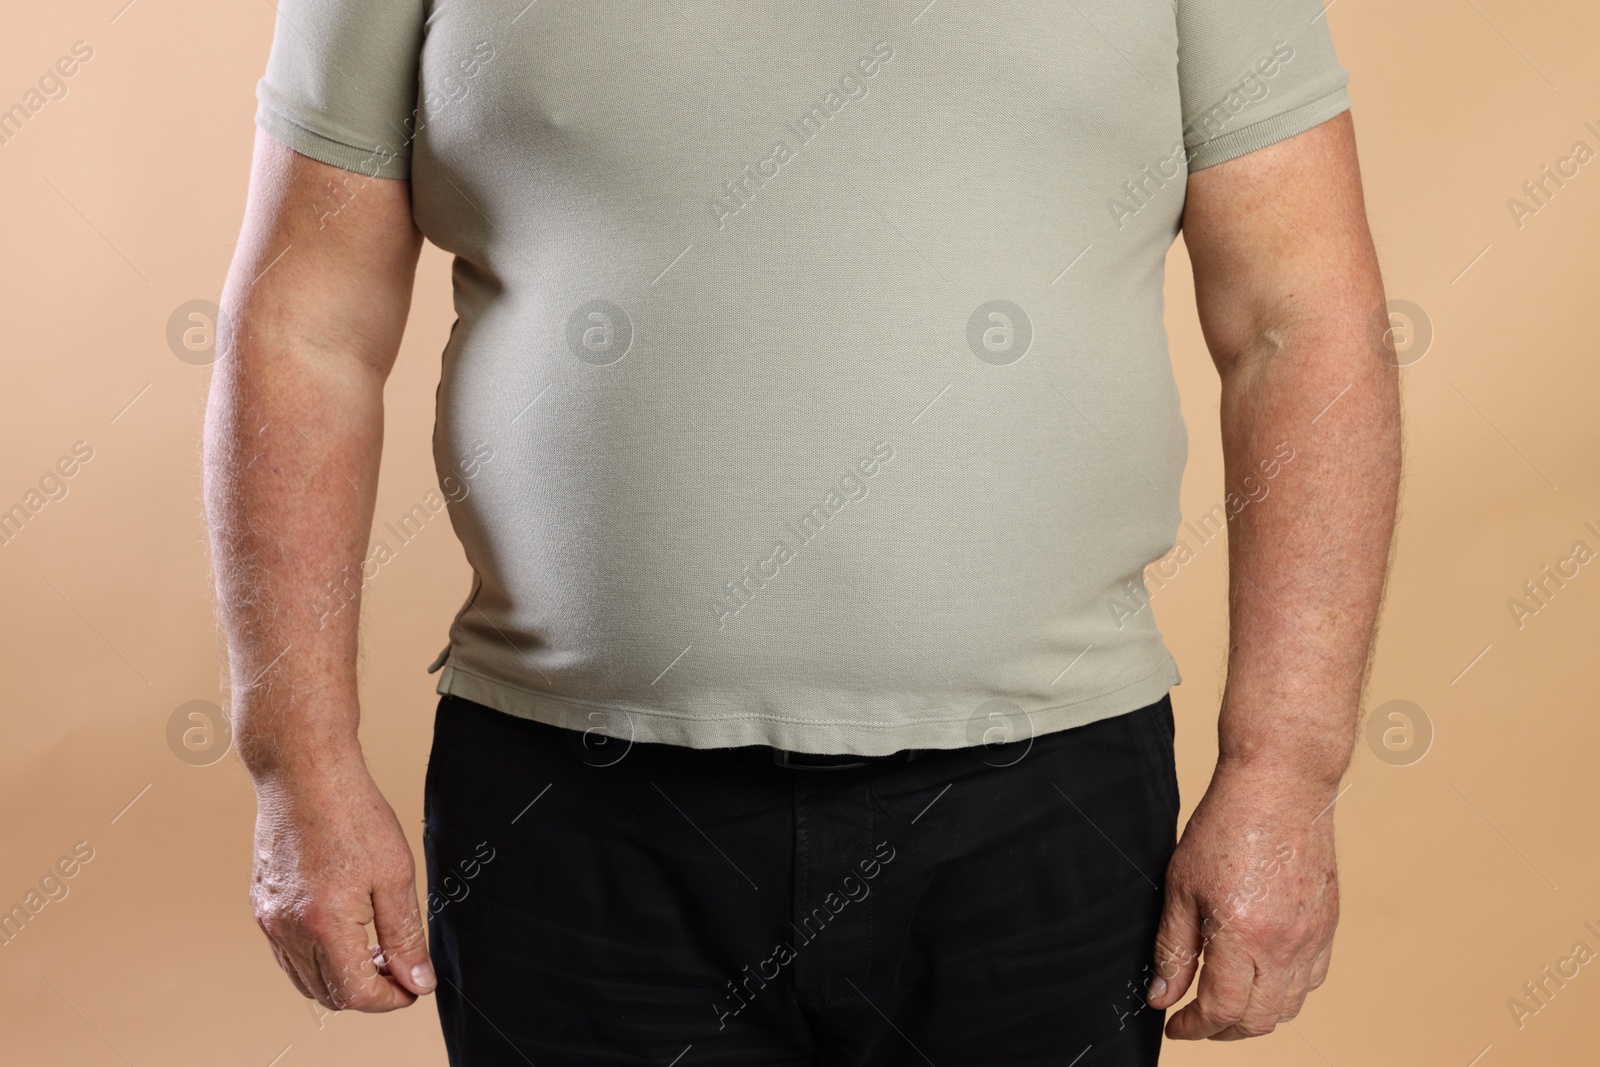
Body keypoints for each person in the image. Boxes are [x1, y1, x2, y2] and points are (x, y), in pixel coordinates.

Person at [203, 0, 1400, 1063]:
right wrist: (294, 762)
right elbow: (305, 330)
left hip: (1043, 810)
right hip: (571, 815)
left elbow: (1301, 330)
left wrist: (1286, 770)